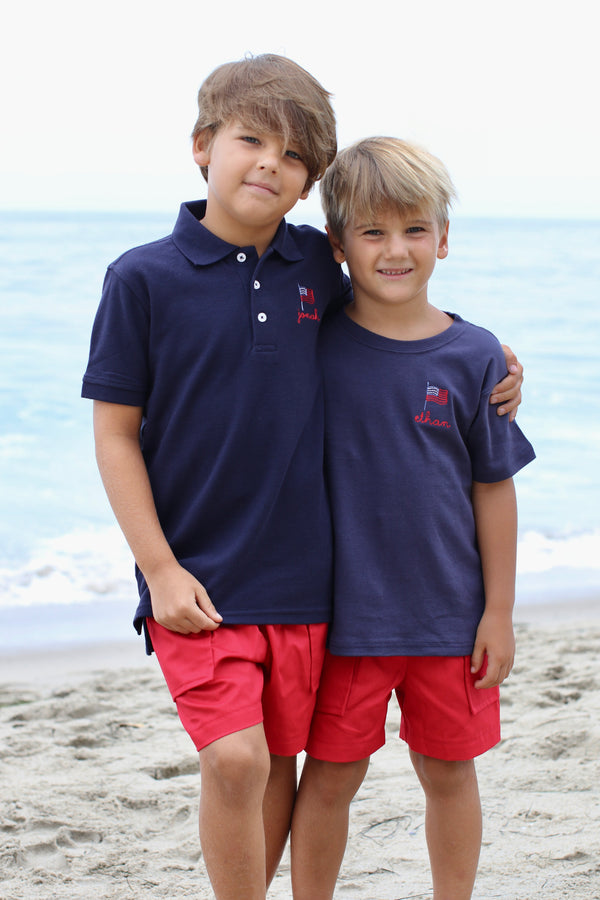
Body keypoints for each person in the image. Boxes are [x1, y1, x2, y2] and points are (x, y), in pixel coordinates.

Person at [81, 55, 523, 900]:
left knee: (281, 765)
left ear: (309, 186)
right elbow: (114, 435)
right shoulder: (142, 278)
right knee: (238, 758)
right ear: (203, 146)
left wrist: (490, 358)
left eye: (293, 157)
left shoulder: (316, 268)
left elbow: (399, 316)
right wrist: (160, 569)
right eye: (251, 140)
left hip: (308, 587)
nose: (268, 165)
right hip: (196, 578)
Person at [290, 137, 535, 900]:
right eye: (371, 232)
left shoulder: (476, 358)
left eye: (414, 230)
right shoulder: (314, 344)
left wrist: (498, 612)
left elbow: (493, 488)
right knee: (330, 779)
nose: (395, 250)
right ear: (338, 245)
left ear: (444, 238)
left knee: (448, 773)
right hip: (343, 620)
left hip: (448, 617)